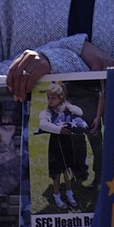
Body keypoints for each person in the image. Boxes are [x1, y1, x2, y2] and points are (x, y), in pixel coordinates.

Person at [37, 82, 88, 210]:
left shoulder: (67, 108)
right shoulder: (47, 112)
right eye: (48, 97)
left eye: (53, 97)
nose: (50, 100)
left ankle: (70, 194)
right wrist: (59, 130)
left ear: (61, 98)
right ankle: (57, 195)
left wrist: (70, 106)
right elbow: (43, 124)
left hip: (67, 144)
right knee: (56, 173)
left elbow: (80, 112)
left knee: (68, 170)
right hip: (55, 145)